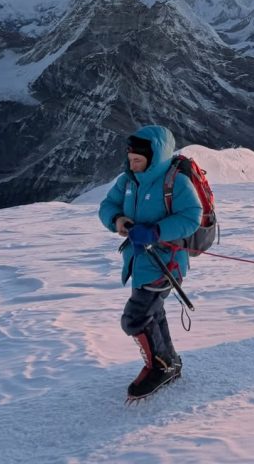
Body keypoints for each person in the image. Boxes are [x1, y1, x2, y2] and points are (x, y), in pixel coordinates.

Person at [99, 124, 202, 400]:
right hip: (138, 261)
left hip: (166, 263)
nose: (132, 165)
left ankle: (160, 367)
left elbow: (191, 217)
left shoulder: (175, 182)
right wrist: (117, 220)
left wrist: (156, 231)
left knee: (135, 318)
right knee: (152, 312)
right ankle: (170, 362)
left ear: (154, 157)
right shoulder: (128, 180)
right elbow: (107, 206)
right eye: (130, 159)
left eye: (138, 160)